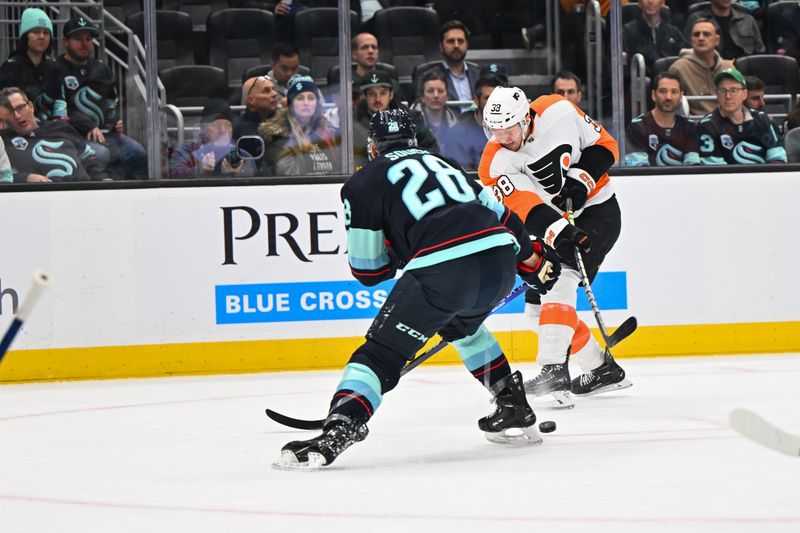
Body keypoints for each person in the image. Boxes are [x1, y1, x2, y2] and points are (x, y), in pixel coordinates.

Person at [273, 108, 562, 470]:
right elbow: (504, 217)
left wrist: (398, 247)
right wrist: (533, 262)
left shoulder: (362, 183)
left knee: (379, 355)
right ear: (414, 141)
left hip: (442, 273)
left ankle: (339, 428)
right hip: (498, 263)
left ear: (373, 148)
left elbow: (369, 271)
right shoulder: (447, 164)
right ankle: (513, 404)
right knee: (465, 329)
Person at [478, 86, 632, 399]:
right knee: (537, 313)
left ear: (525, 120)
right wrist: (562, 233)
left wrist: (582, 178)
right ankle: (601, 368)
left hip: (599, 211)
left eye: (508, 130)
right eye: (495, 131)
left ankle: (553, 369)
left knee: (560, 282)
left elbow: (605, 145)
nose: (502, 138)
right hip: (553, 226)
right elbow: (527, 208)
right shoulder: (494, 162)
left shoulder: (558, 109)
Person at [44, 16, 147, 180]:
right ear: (65, 41)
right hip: (74, 137)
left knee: (137, 152)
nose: (85, 43)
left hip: (107, 134)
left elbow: (112, 101)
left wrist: (116, 120)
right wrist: (89, 126)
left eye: (88, 38)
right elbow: (60, 109)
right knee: (101, 155)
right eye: (78, 39)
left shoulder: (101, 68)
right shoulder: (54, 69)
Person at [1, 87, 103, 182]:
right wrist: (26, 178)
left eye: (20, 108)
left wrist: (102, 180)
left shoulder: (60, 127)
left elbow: (88, 157)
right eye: (10, 112)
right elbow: (3, 177)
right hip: (44, 196)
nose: (17, 116)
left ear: (31, 106)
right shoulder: (3, 141)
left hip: (84, 190)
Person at [697, 68, 787, 165]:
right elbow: (715, 170)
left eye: (733, 90)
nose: (728, 96)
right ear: (717, 95)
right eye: (722, 91)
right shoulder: (707, 125)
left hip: (764, 178)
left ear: (744, 94)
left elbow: (778, 157)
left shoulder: (762, 119)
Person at [352, 69, 439, 169]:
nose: (378, 99)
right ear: (364, 96)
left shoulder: (410, 118)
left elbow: (432, 148)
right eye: (372, 94)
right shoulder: (353, 122)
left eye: (383, 93)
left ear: (391, 94)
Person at [258, 75, 339, 176]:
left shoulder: (327, 132)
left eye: (310, 98)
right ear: (291, 104)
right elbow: (288, 176)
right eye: (300, 98)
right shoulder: (279, 137)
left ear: (316, 103)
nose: (306, 103)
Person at [626, 71, 700, 166]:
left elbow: (693, 166)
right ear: (653, 95)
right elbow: (639, 169)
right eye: (663, 91)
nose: (668, 97)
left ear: (681, 97)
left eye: (674, 92)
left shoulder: (689, 126)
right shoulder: (637, 126)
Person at [169, 98, 255, 178]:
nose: (222, 131)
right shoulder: (188, 151)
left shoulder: (242, 155)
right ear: (203, 128)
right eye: (215, 125)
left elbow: (253, 179)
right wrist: (200, 170)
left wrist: (235, 174)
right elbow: (174, 175)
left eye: (227, 125)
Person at [669, 18, 734, 117]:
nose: (701, 38)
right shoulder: (678, 69)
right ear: (691, 40)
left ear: (717, 40)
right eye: (696, 34)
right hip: (694, 125)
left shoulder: (729, 67)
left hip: (727, 122)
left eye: (706, 34)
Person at [442, 74, 506, 171]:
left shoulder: (512, 128)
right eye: (487, 98)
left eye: (497, 98)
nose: (494, 103)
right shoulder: (457, 133)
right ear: (476, 100)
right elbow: (462, 173)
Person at [0, 8, 56, 116]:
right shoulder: (11, 67)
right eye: (35, 32)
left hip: (53, 124)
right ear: (25, 36)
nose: (41, 37)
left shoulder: (54, 66)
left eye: (46, 32)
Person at [425, 20, 479, 109]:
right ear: (441, 46)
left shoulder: (479, 75)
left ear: (467, 45)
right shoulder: (428, 77)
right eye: (451, 41)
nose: (456, 45)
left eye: (460, 41)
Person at [683, 0, 764, 60]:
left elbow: (760, 52)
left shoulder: (747, 19)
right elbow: (690, 53)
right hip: (712, 71)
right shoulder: (696, 19)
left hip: (745, 71)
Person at [622, 0, 687, 69]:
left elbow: (686, 56)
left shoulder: (673, 32)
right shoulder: (628, 31)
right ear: (639, 3)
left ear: (662, 3)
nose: (650, 1)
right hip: (642, 77)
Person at [409, 70, 458, 145]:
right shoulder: (410, 123)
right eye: (430, 91)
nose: (436, 95)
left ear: (447, 96)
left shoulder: (456, 124)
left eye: (440, 91)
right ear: (422, 96)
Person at [234, 74, 279, 139]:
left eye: (273, 89)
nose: (275, 94)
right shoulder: (242, 130)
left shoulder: (281, 119)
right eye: (266, 91)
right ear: (251, 100)